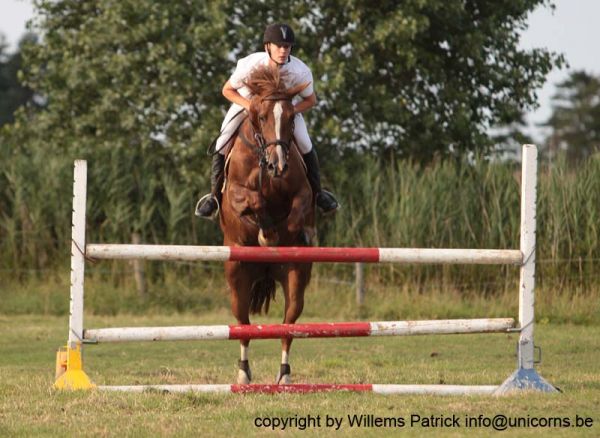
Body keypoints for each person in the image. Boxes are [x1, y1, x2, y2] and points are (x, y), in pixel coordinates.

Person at [195, 23, 339, 218]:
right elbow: (227, 90)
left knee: (305, 143)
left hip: (283, 112)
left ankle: (319, 194)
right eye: (278, 46)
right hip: (247, 104)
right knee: (222, 140)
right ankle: (213, 196)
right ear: (267, 47)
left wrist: (288, 112)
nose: (283, 50)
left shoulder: (300, 71)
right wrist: (250, 107)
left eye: (287, 46)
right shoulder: (250, 64)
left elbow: (311, 100)